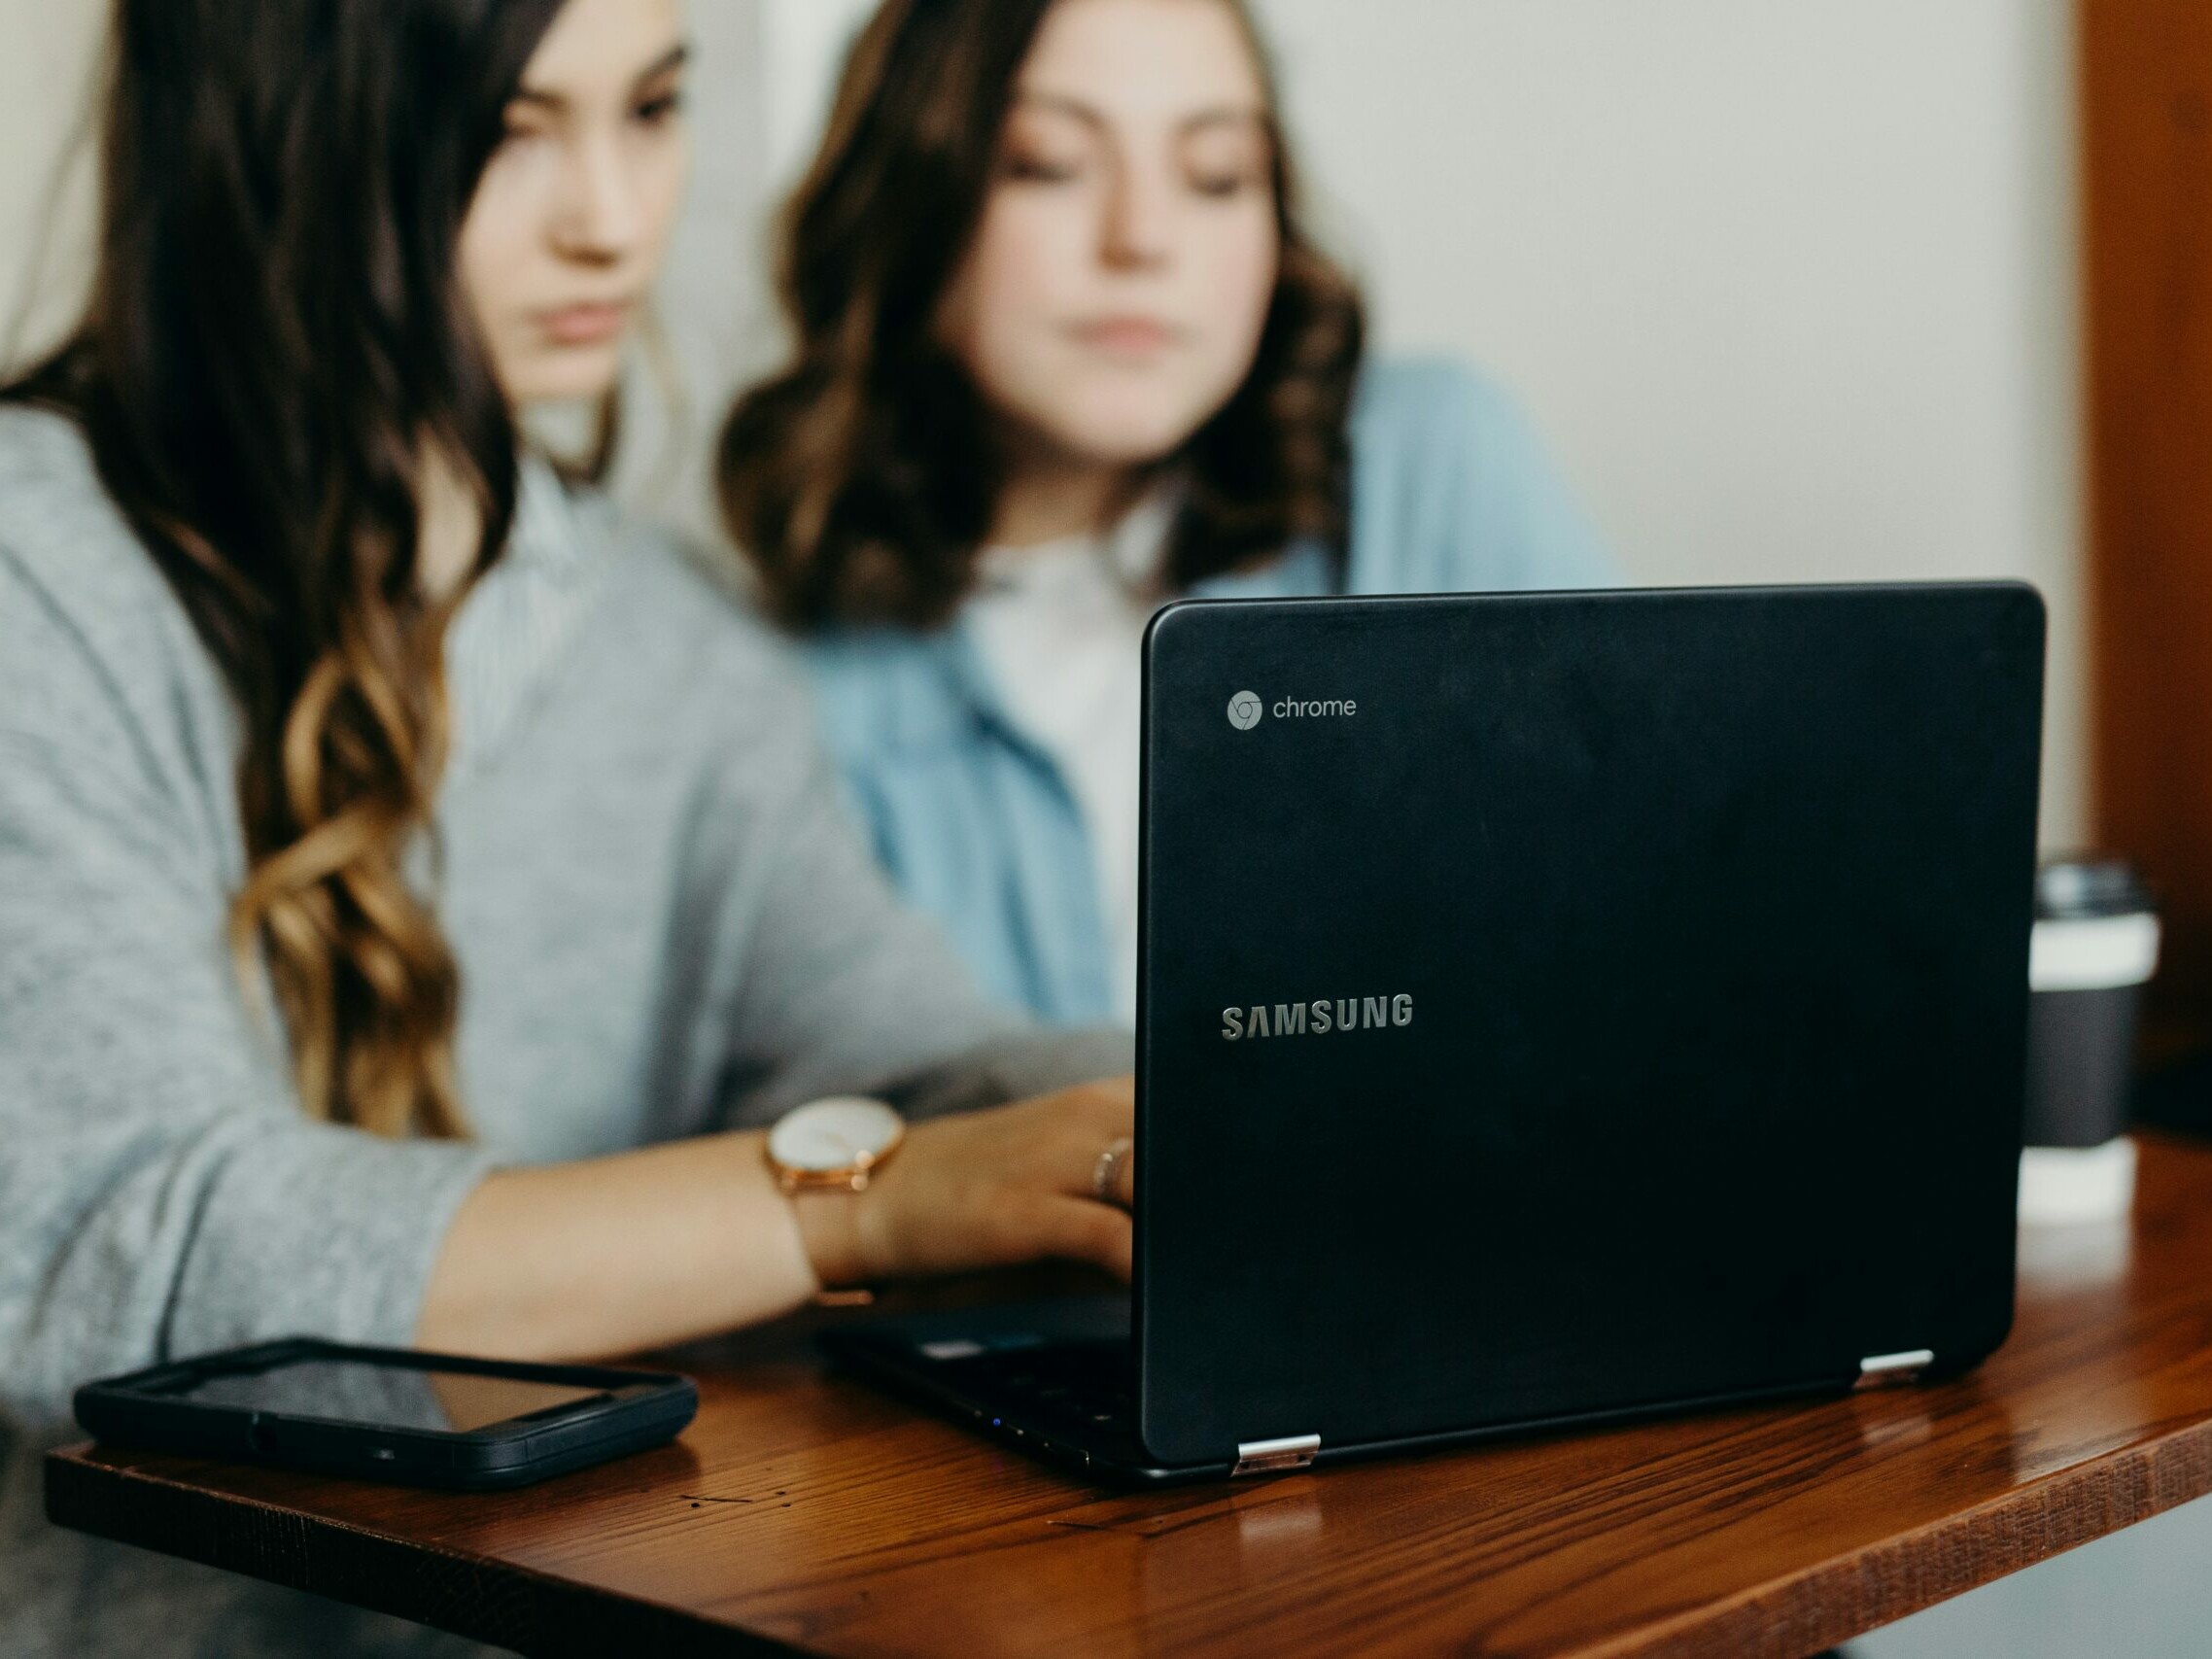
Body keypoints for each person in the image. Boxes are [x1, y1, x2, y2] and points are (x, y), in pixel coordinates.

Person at [0, 3, 1138, 1654]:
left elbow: (914, 1062)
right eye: (517, 129)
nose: (612, 213)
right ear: (280, 138)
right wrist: (860, 1204)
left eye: (654, 107)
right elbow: (125, 1249)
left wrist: (1198, 1109)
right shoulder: (42, 574)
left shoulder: (675, 645)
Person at [718, 0, 1618, 1027]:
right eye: (1046, 163)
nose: (1141, 240)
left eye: (1215, 175)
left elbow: (1643, 929)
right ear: (903, 197)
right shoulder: (768, 676)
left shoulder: (1428, 465)